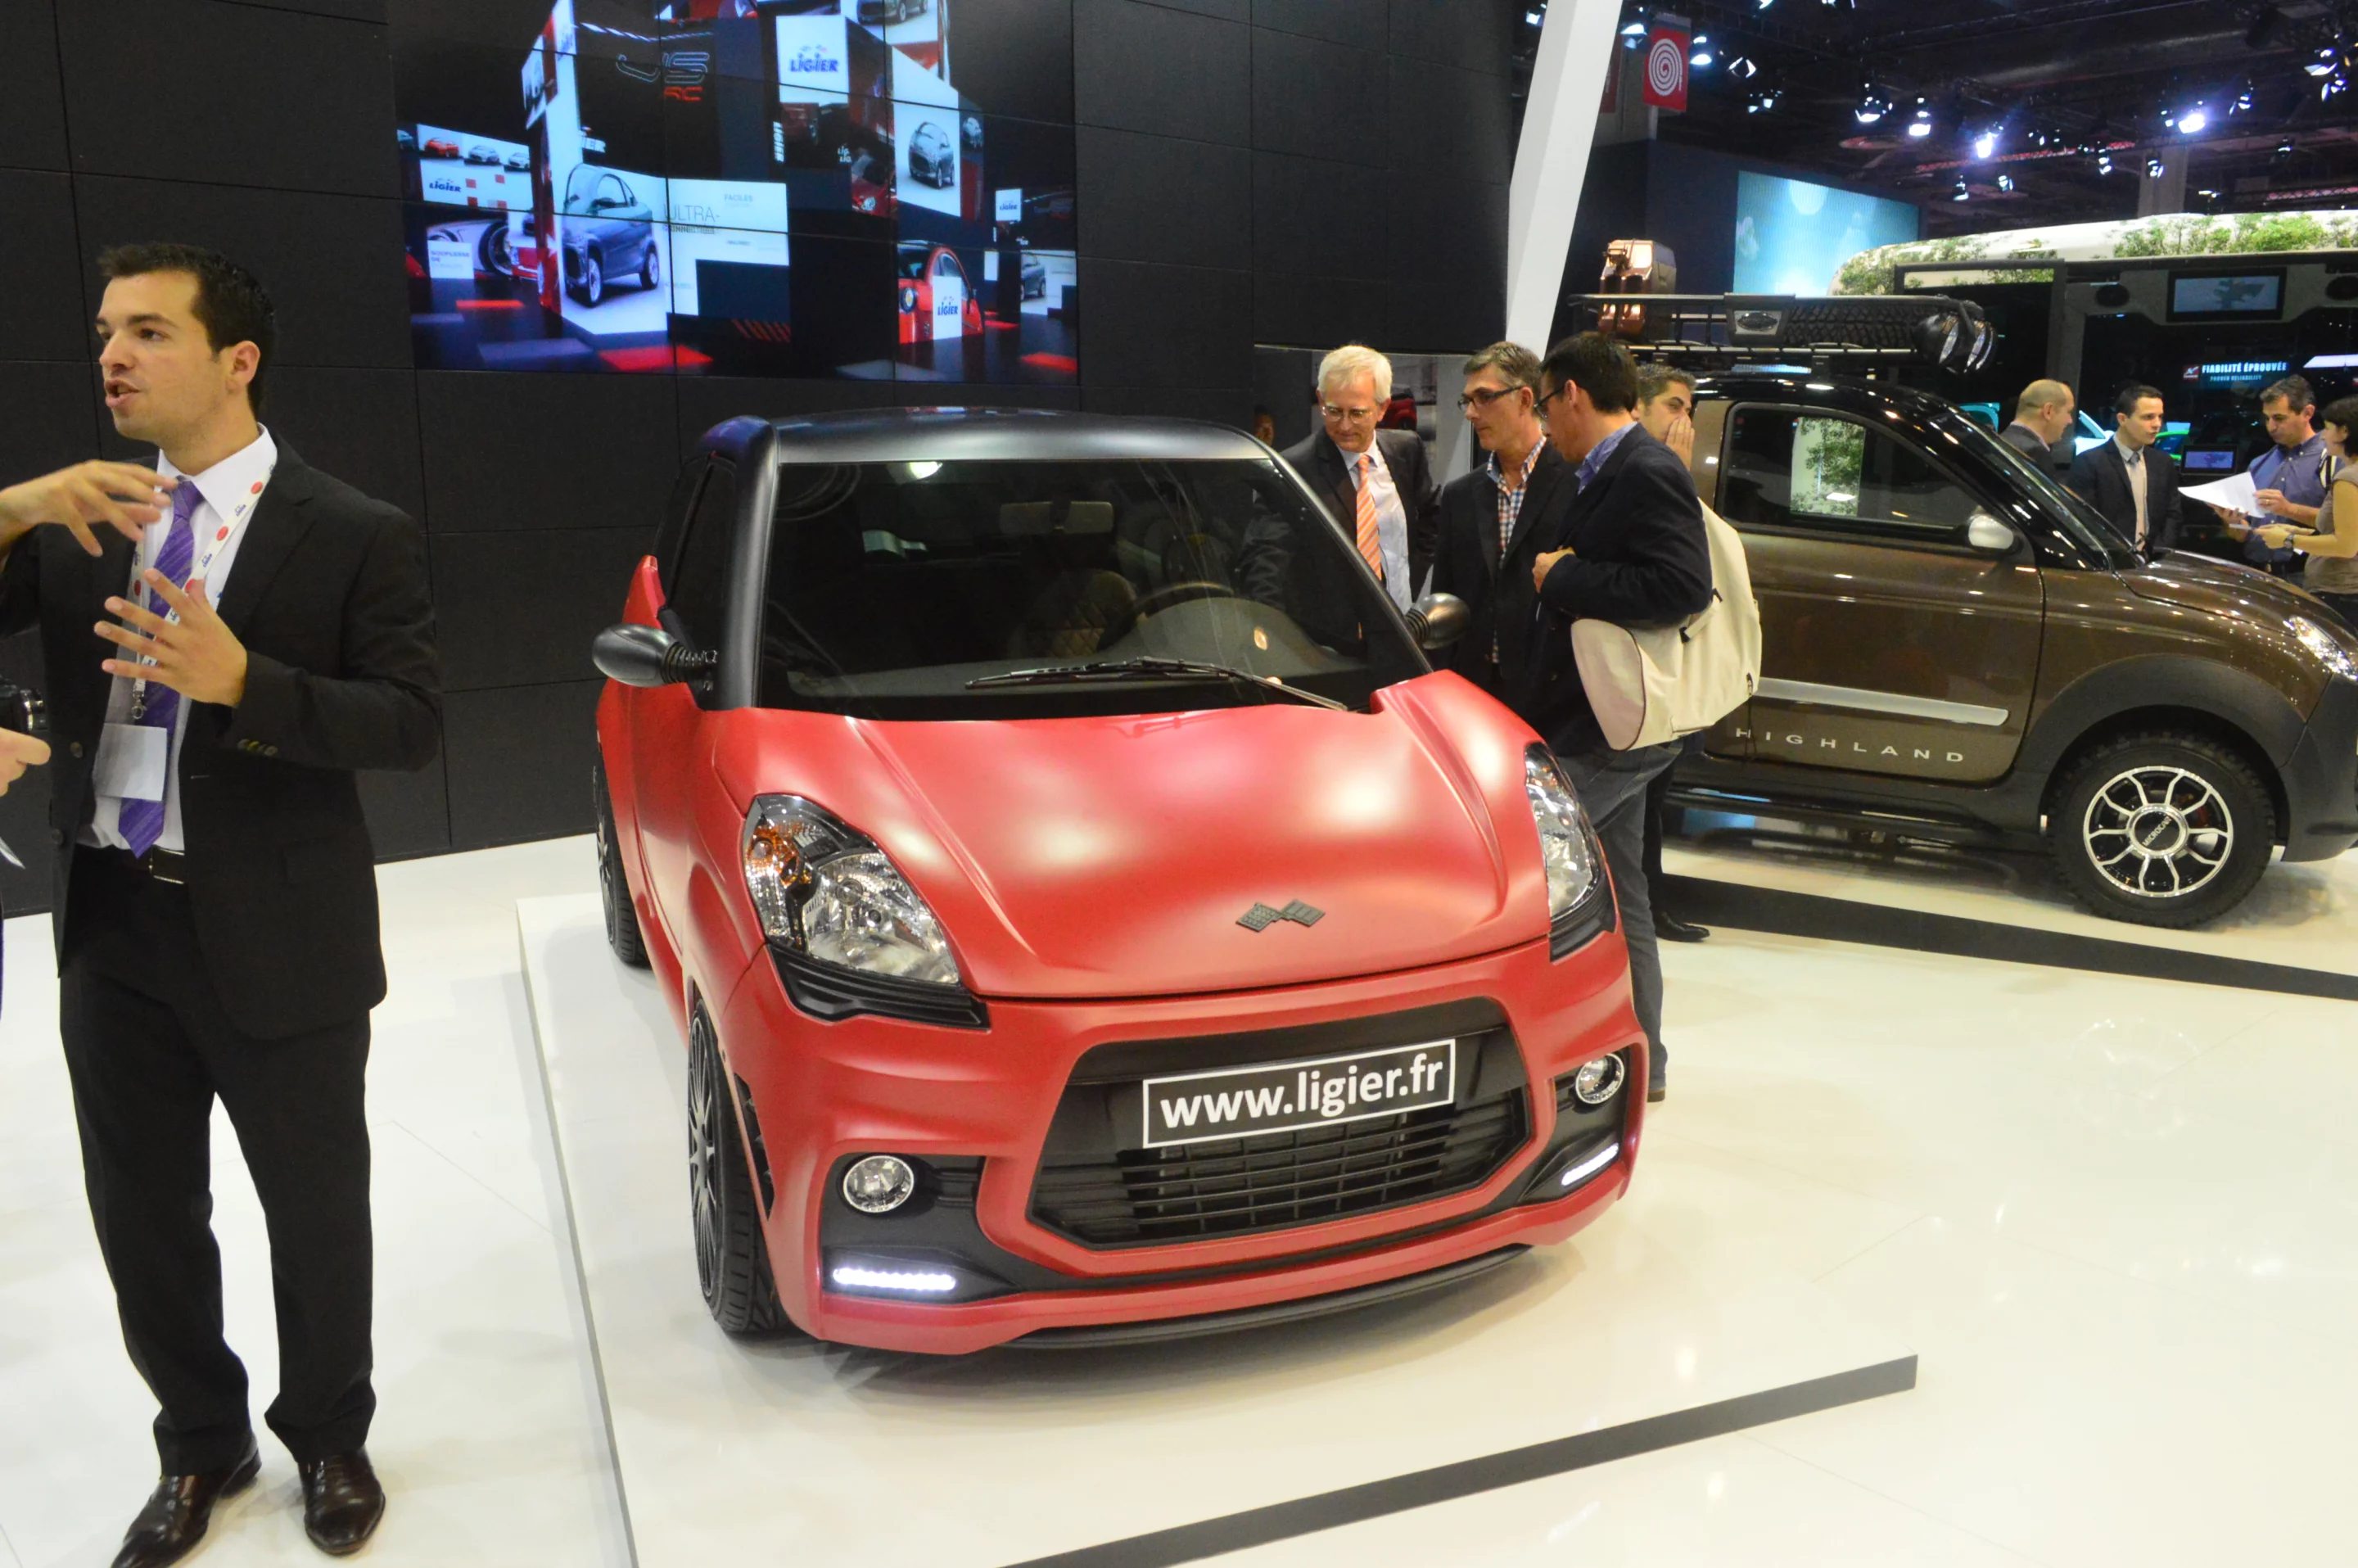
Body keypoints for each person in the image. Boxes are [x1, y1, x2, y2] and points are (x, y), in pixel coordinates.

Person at [0, 243, 439, 1568]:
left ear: (236, 359)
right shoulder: (82, 520)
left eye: (147, 332)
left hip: (280, 930)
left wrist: (247, 680)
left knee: (314, 1213)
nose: (112, 359)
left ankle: (328, 1439)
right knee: (142, 1216)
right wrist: (12, 505)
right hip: (114, 923)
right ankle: (201, 1445)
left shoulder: (355, 530)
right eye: (101, 334)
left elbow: (410, 724)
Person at [1515, 334, 1714, 1102]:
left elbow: (1681, 586)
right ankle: (1646, 1063)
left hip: (1619, 727)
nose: (1546, 426)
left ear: (1570, 394)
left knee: (1533, 873)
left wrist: (1567, 576)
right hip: (1608, 719)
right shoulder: (1605, 469)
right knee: (1625, 892)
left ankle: (1541, 1063)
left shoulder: (1644, 469)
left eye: (1544, 404)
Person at [1425, 341, 1565, 698]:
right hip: (1473, 689)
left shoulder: (1576, 482)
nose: (1471, 413)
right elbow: (1447, 597)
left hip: (1552, 691)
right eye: (1468, 401)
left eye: (1484, 397)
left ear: (1524, 399)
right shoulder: (1460, 494)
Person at [1631, 364, 1710, 944]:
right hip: (1630, 663)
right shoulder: (1637, 472)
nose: (1686, 421)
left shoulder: (1667, 474)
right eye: (1675, 407)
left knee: (1656, 794)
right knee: (1637, 796)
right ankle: (1641, 909)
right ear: (1637, 407)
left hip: (1670, 658)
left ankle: (1653, 903)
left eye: (1690, 410)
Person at [1277, 345, 1438, 613]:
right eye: (1334, 411)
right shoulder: (1295, 468)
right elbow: (1269, 562)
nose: (1344, 426)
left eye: (1357, 413)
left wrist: (1407, 582)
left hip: (1398, 628)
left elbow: (1432, 522)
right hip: (1328, 643)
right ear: (1320, 399)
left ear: (1383, 407)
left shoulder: (1407, 450)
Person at [2208, 375, 2329, 578]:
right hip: (2258, 573)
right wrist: (2232, 521)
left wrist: (2289, 509)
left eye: (2279, 418)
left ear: (2307, 413)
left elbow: (2345, 525)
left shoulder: (2333, 458)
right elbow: (2243, 535)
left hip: (2309, 576)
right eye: (2267, 418)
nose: (2271, 426)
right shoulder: (2259, 464)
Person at [2255, 393, 2358, 626]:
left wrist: (2289, 540)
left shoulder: (2348, 478)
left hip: (2341, 594)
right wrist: (2298, 532)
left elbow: (2346, 545)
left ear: (2345, 432)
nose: (2323, 435)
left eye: (2329, 428)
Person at [2067, 384, 2184, 556]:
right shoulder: (2089, 462)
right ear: (2122, 419)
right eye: (2148, 417)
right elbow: (2085, 520)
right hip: (2109, 561)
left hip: (2154, 561)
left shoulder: (2162, 462)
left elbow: (2173, 515)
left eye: (2160, 417)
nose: (2157, 424)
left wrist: (2160, 551)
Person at [2000, 380, 2076, 475]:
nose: (2070, 421)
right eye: (2068, 412)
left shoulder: (1999, 440)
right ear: (2048, 411)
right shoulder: (2035, 453)